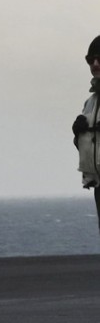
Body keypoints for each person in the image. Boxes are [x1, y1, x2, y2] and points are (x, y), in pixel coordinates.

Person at [73, 35, 100, 234]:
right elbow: (90, 145)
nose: (95, 64)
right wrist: (78, 134)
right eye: (91, 60)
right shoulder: (90, 102)